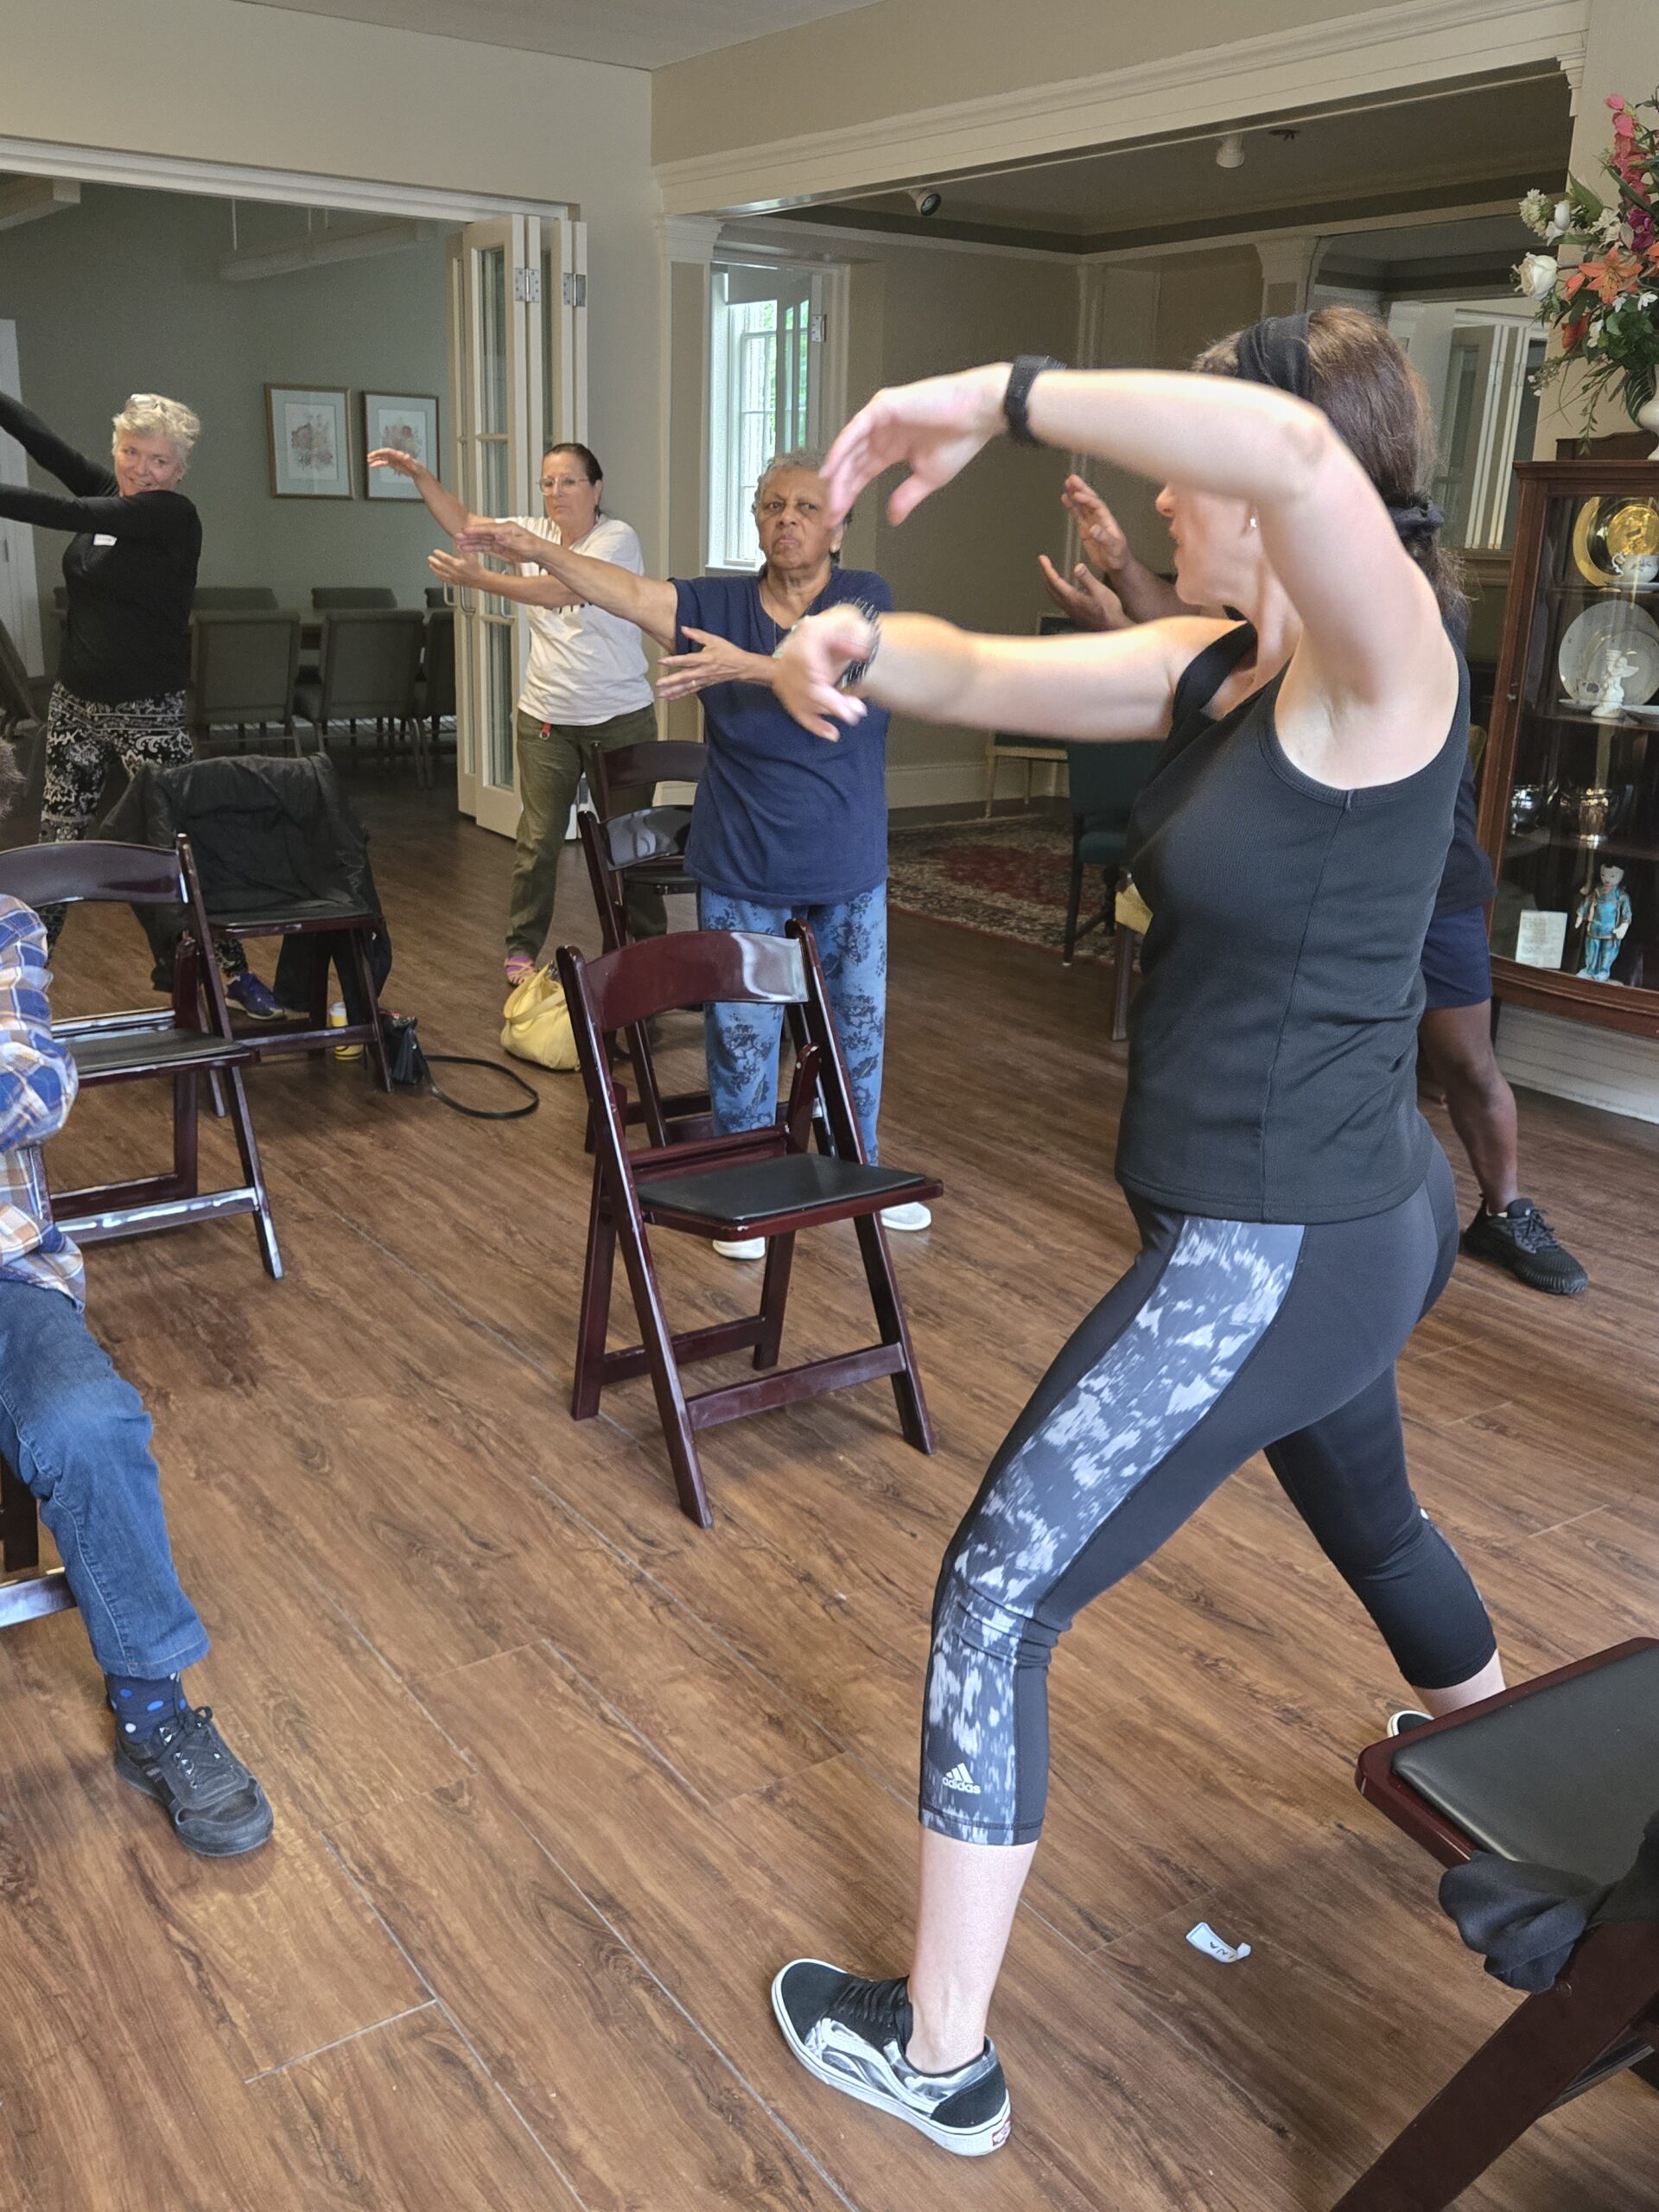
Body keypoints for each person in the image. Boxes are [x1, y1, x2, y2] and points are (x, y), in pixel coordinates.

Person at [761, 315, 1508, 2158]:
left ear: (1274, 470)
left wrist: (993, 397)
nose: (1168, 489)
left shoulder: (1390, 670)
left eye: (1194, 453)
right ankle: (1532, 1819)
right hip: (1356, 1214)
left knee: (997, 1593)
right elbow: (988, 669)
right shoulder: (1225, 664)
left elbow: (1305, 460)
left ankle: (940, 2056)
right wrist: (855, 642)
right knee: (1376, 1521)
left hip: (1280, 1242)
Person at [1047, 472, 1587, 1297]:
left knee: (1465, 1061)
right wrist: (1122, 575)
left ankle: (1505, 1209)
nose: (1169, 498)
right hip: (1323, 876)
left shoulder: (1400, 614)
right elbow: (1213, 662)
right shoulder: (1276, 615)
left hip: (1431, 884)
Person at [432, 448, 931, 1253]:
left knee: (855, 1033)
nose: (788, 520)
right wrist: (537, 550)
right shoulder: (716, 602)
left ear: (837, 527)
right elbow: (624, 591)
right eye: (772, 506)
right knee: (741, 1035)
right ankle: (744, 1185)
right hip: (742, 860)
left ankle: (857, 1172)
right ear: (756, 522)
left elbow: (839, 670)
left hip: (846, 864)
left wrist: (745, 666)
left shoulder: (865, 597)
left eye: (806, 508)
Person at [0, 737, 271, 1857]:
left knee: (90, 1423)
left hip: (4, 1277)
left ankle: (154, 1709)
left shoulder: (3, 926)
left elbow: (34, 1085)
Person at [0, 391, 279, 1016]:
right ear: (117, 450)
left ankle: (232, 972)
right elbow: (45, 446)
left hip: (147, 712)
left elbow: (61, 509)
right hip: (76, 705)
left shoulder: (172, 516)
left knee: (182, 843)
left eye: (159, 460)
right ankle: (20, 977)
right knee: (56, 844)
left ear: (179, 469)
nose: (142, 470)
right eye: (131, 453)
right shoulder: (112, 492)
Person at [369, 438, 663, 985]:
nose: (556, 492)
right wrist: (420, 476)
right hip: (546, 718)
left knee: (629, 841)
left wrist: (481, 580)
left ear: (596, 488)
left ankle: (644, 955)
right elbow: (465, 524)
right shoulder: (535, 532)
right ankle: (522, 949)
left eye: (569, 481)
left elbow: (559, 590)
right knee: (538, 840)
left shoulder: (616, 539)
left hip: (620, 717)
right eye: (548, 482)